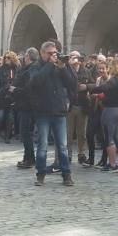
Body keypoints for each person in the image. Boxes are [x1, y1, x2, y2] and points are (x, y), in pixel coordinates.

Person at [30, 41, 76, 186]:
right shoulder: (36, 66)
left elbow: (73, 84)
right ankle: (41, 174)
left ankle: (66, 174)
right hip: (42, 111)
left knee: (62, 145)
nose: (53, 56)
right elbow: (36, 82)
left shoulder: (61, 65)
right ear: (42, 53)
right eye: (50, 54)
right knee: (42, 144)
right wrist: (50, 65)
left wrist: (63, 69)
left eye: (54, 53)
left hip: (59, 111)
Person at [90, 57, 118, 172]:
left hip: (111, 111)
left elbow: (105, 88)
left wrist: (93, 89)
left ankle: (112, 164)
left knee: (109, 138)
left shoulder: (114, 80)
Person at [13, 48, 38, 169]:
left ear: (28, 56)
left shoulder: (32, 69)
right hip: (25, 104)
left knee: (25, 132)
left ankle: (30, 159)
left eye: (25, 55)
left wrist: (15, 89)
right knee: (26, 133)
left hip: (28, 105)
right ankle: (27, 157)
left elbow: (29, 89)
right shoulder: (26, 68)